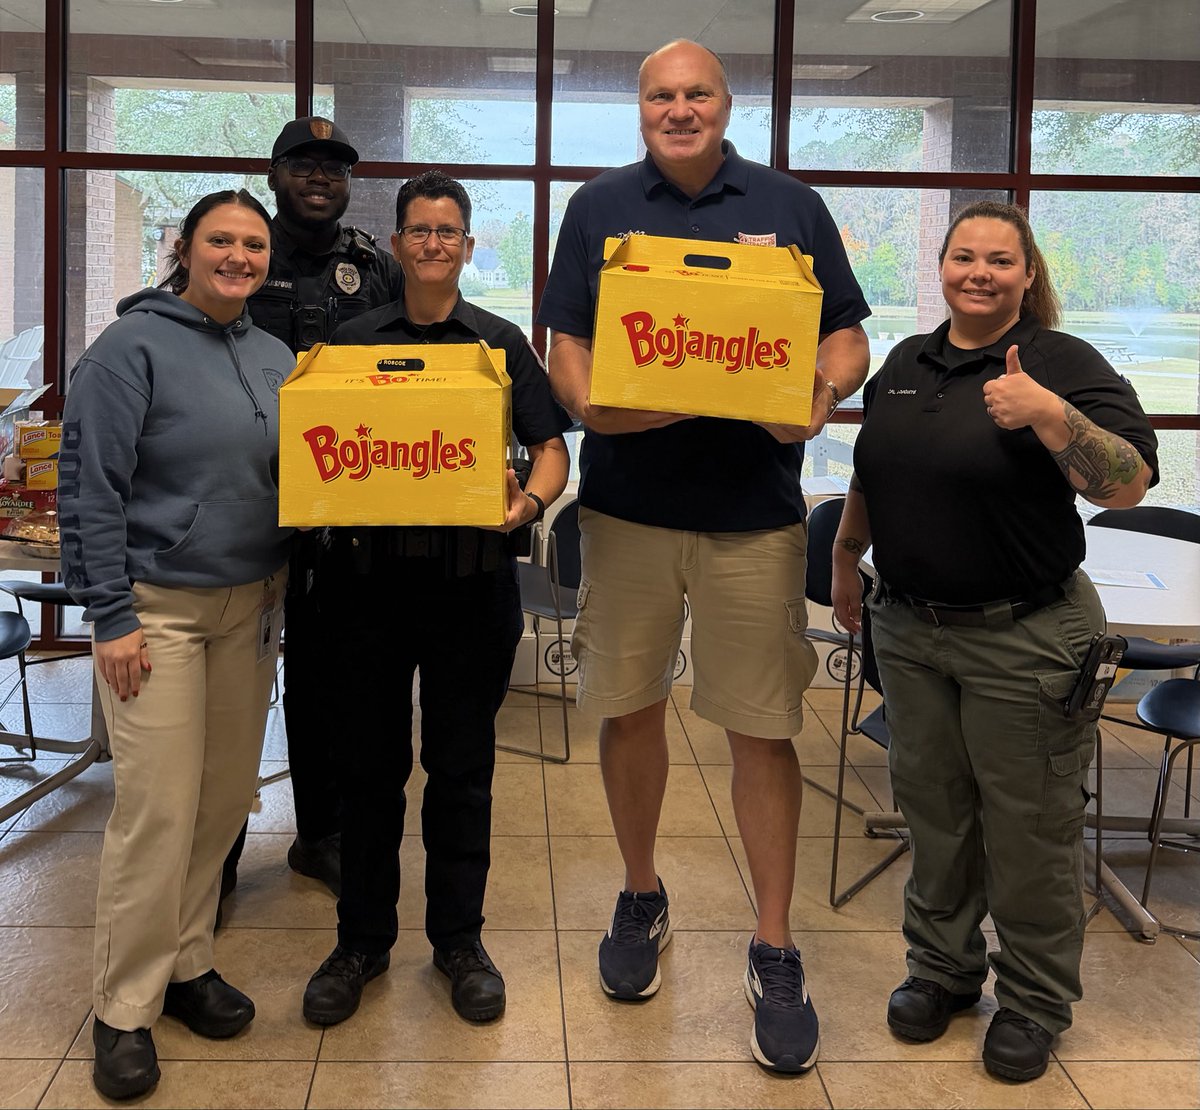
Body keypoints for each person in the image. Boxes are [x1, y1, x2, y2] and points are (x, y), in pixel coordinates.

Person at [536, 40, 871, 1073]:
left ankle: (774, 944)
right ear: (640, 110)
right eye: (659, 97)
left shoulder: (790, 204)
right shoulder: (597, 208)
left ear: (728, 105)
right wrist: (618, 408)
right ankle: (642, 894)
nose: (678, 110)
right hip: (629, 513)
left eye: (696, 95)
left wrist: (814, 398)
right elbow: (568, 356)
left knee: (762, 730)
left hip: (753, 519)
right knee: (629, 710)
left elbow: (848, 336)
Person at [831, 201, 1158, 1083]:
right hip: (910, 628)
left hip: (1026, 636)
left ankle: (1033, 1001)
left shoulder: (1061, 363)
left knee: (1030, 829)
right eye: (963, 257)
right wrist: (845, 553)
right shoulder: (908, 361)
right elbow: (876, 471)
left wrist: (1051, 415)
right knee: (934, 814)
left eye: (999, 261)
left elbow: (1129, 483)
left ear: (1027, 273)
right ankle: (941, 971)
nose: (978, 273)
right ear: (941, 266)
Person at [298, 171, 571, 1026]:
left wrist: (527, 501)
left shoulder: (497, 346)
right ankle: (361, 944)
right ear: (396, 243)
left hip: (468, 590)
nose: (432, 244)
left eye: (447, 231)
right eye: (417, 230)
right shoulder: (348, 343)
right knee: (369, 774)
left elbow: (551, 447)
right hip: (364, 592)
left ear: (466, 245)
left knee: (462, 772)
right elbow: (313, 445)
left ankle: (459, 941)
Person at [58, 189, 295, 1100]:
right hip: (158, 612)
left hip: (251, 604)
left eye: (252, 244)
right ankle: (123, 1008)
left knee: (224, 798)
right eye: (221, 241)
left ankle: (189, 963)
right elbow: (89, 488)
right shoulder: (128, 350)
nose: (239, 257)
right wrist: (109, 616)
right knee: (156, 809)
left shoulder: (274, 356)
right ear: (183, 248)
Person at [221, 116, 405, 907]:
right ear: (275, 174)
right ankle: (216, 855)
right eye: (304, 163)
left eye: (335, 166)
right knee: (229, 687)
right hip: (249, 499)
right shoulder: (239, 256)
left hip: (343, 504)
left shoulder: (372, 266)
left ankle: (319, 835)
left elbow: (409, 363)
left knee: (325, 681)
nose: (321, 177)